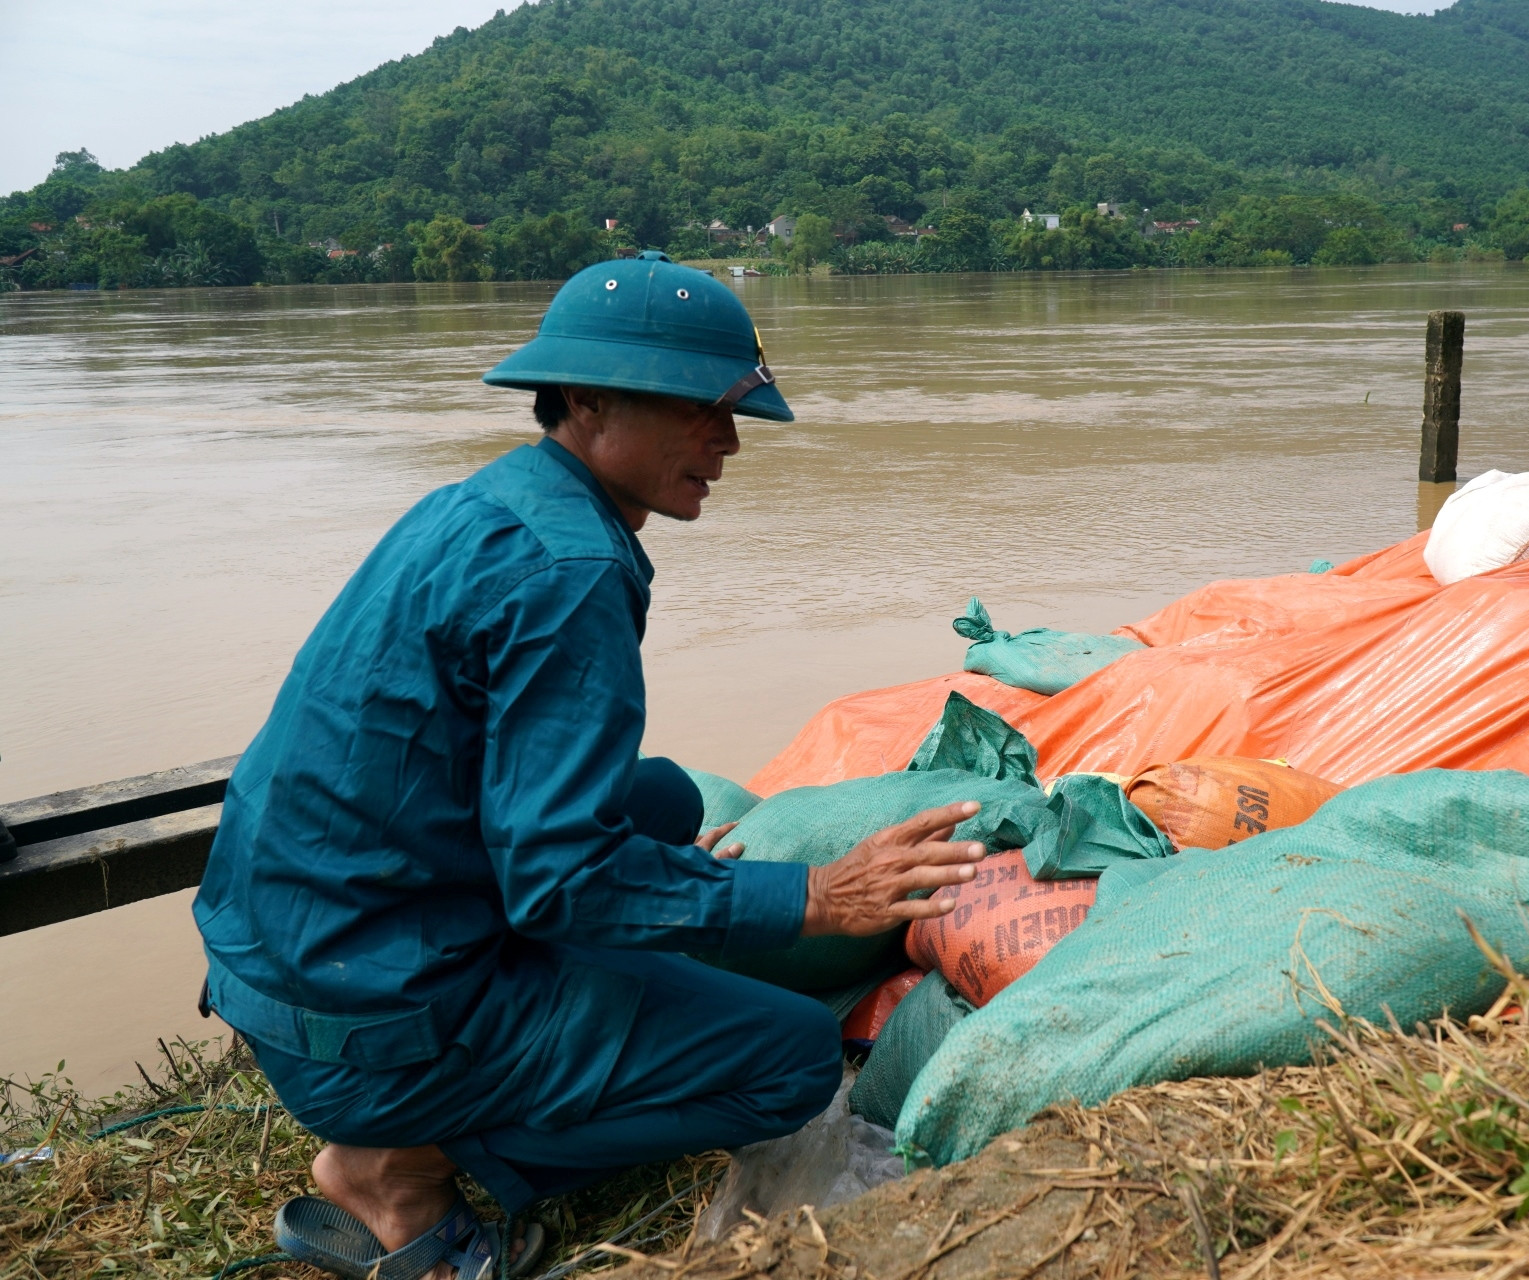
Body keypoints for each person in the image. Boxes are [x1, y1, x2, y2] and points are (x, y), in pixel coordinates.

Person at [192, 252, 985, 1280]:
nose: (729, 440)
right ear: (590, 400)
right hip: (368, 1017)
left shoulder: (491, 502)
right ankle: (400, 1164)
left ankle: (440, 1086)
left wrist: (674, 888)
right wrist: (816, 896)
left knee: (658, 798)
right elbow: (563, 880)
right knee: (790, 1055)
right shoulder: (574, 569)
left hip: (284, 957)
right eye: (703, 408)